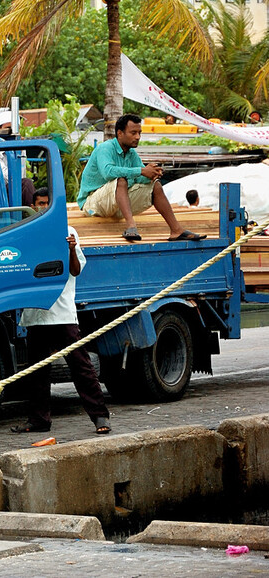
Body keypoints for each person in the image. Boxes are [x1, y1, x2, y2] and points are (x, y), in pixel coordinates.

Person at [12, 227, 111, 435]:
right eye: (39, 203)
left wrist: (72, 250)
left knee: (80, 365)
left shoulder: (67, 231)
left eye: (46, 203)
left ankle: (100, 415)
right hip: (36, 311)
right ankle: (39, 419)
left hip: (62, 312)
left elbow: (75, 270)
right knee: (37, 370)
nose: (42, 207)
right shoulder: (28, 232)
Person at [78, 114, 206, 243]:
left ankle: (176, 230)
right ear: (120, 133)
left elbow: (140, 177)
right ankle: (131, 227)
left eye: (139, 133)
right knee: (120, 180)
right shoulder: (105, 148)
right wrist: (142, 170)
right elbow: (108, 172)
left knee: (155, 185)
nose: (138, 137)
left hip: (115, 204)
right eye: (133, 133)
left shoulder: (132, 153)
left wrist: (152, 174)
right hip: (92, 204)